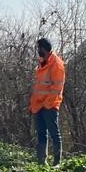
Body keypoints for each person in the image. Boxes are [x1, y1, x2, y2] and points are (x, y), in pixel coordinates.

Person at [30, 36, 66, 164]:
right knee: (41, 134)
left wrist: (47, 104)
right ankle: (42, 161)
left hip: (49, 105)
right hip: (38, 105)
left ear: (44, 49)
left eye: (39, 48)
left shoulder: (56, 64)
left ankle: (57, 162)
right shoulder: (42, 63)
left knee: (54, 134)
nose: (38, 50)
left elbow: (57, 88)